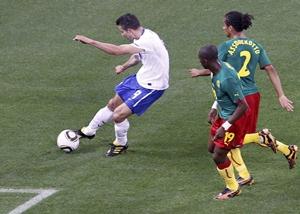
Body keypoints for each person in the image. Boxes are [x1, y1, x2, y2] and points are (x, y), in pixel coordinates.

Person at [189, 11, 297, 178]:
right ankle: (249, 172)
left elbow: (217, 67)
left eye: (224, 25)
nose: (223, 27)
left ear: (231, 28)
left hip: (236, 98)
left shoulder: (225, 46)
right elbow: (270, 69)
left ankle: (265, 148)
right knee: (233, 137)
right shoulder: (256, 45)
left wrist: (199, 72)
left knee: (232, 138)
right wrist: (280, 95)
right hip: (252, 95)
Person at [73, 13, 169, 157]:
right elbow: (138, 55)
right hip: (140, 78)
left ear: (130, 30)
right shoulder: (144, 35)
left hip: (152, 87)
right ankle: (89, 131)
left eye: (122, 31)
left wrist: (91, 41)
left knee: (118, 115)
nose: (122, 34)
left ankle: (121, 144)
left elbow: (117, 51)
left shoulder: (148, 40)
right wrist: (124, 67)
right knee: (112, 104)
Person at [199, 44, 249, 200]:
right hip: (222, 115)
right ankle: (242, 174)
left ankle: (233, 188)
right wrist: (214, 107)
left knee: (218, 156)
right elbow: (222, 94)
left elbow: (243, 106)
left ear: (206, 61)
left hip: (232, 120)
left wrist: (225, 127)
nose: (199, 62)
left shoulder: (226, 77)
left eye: (200, 59)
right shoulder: (215, 71)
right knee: (211, 148)